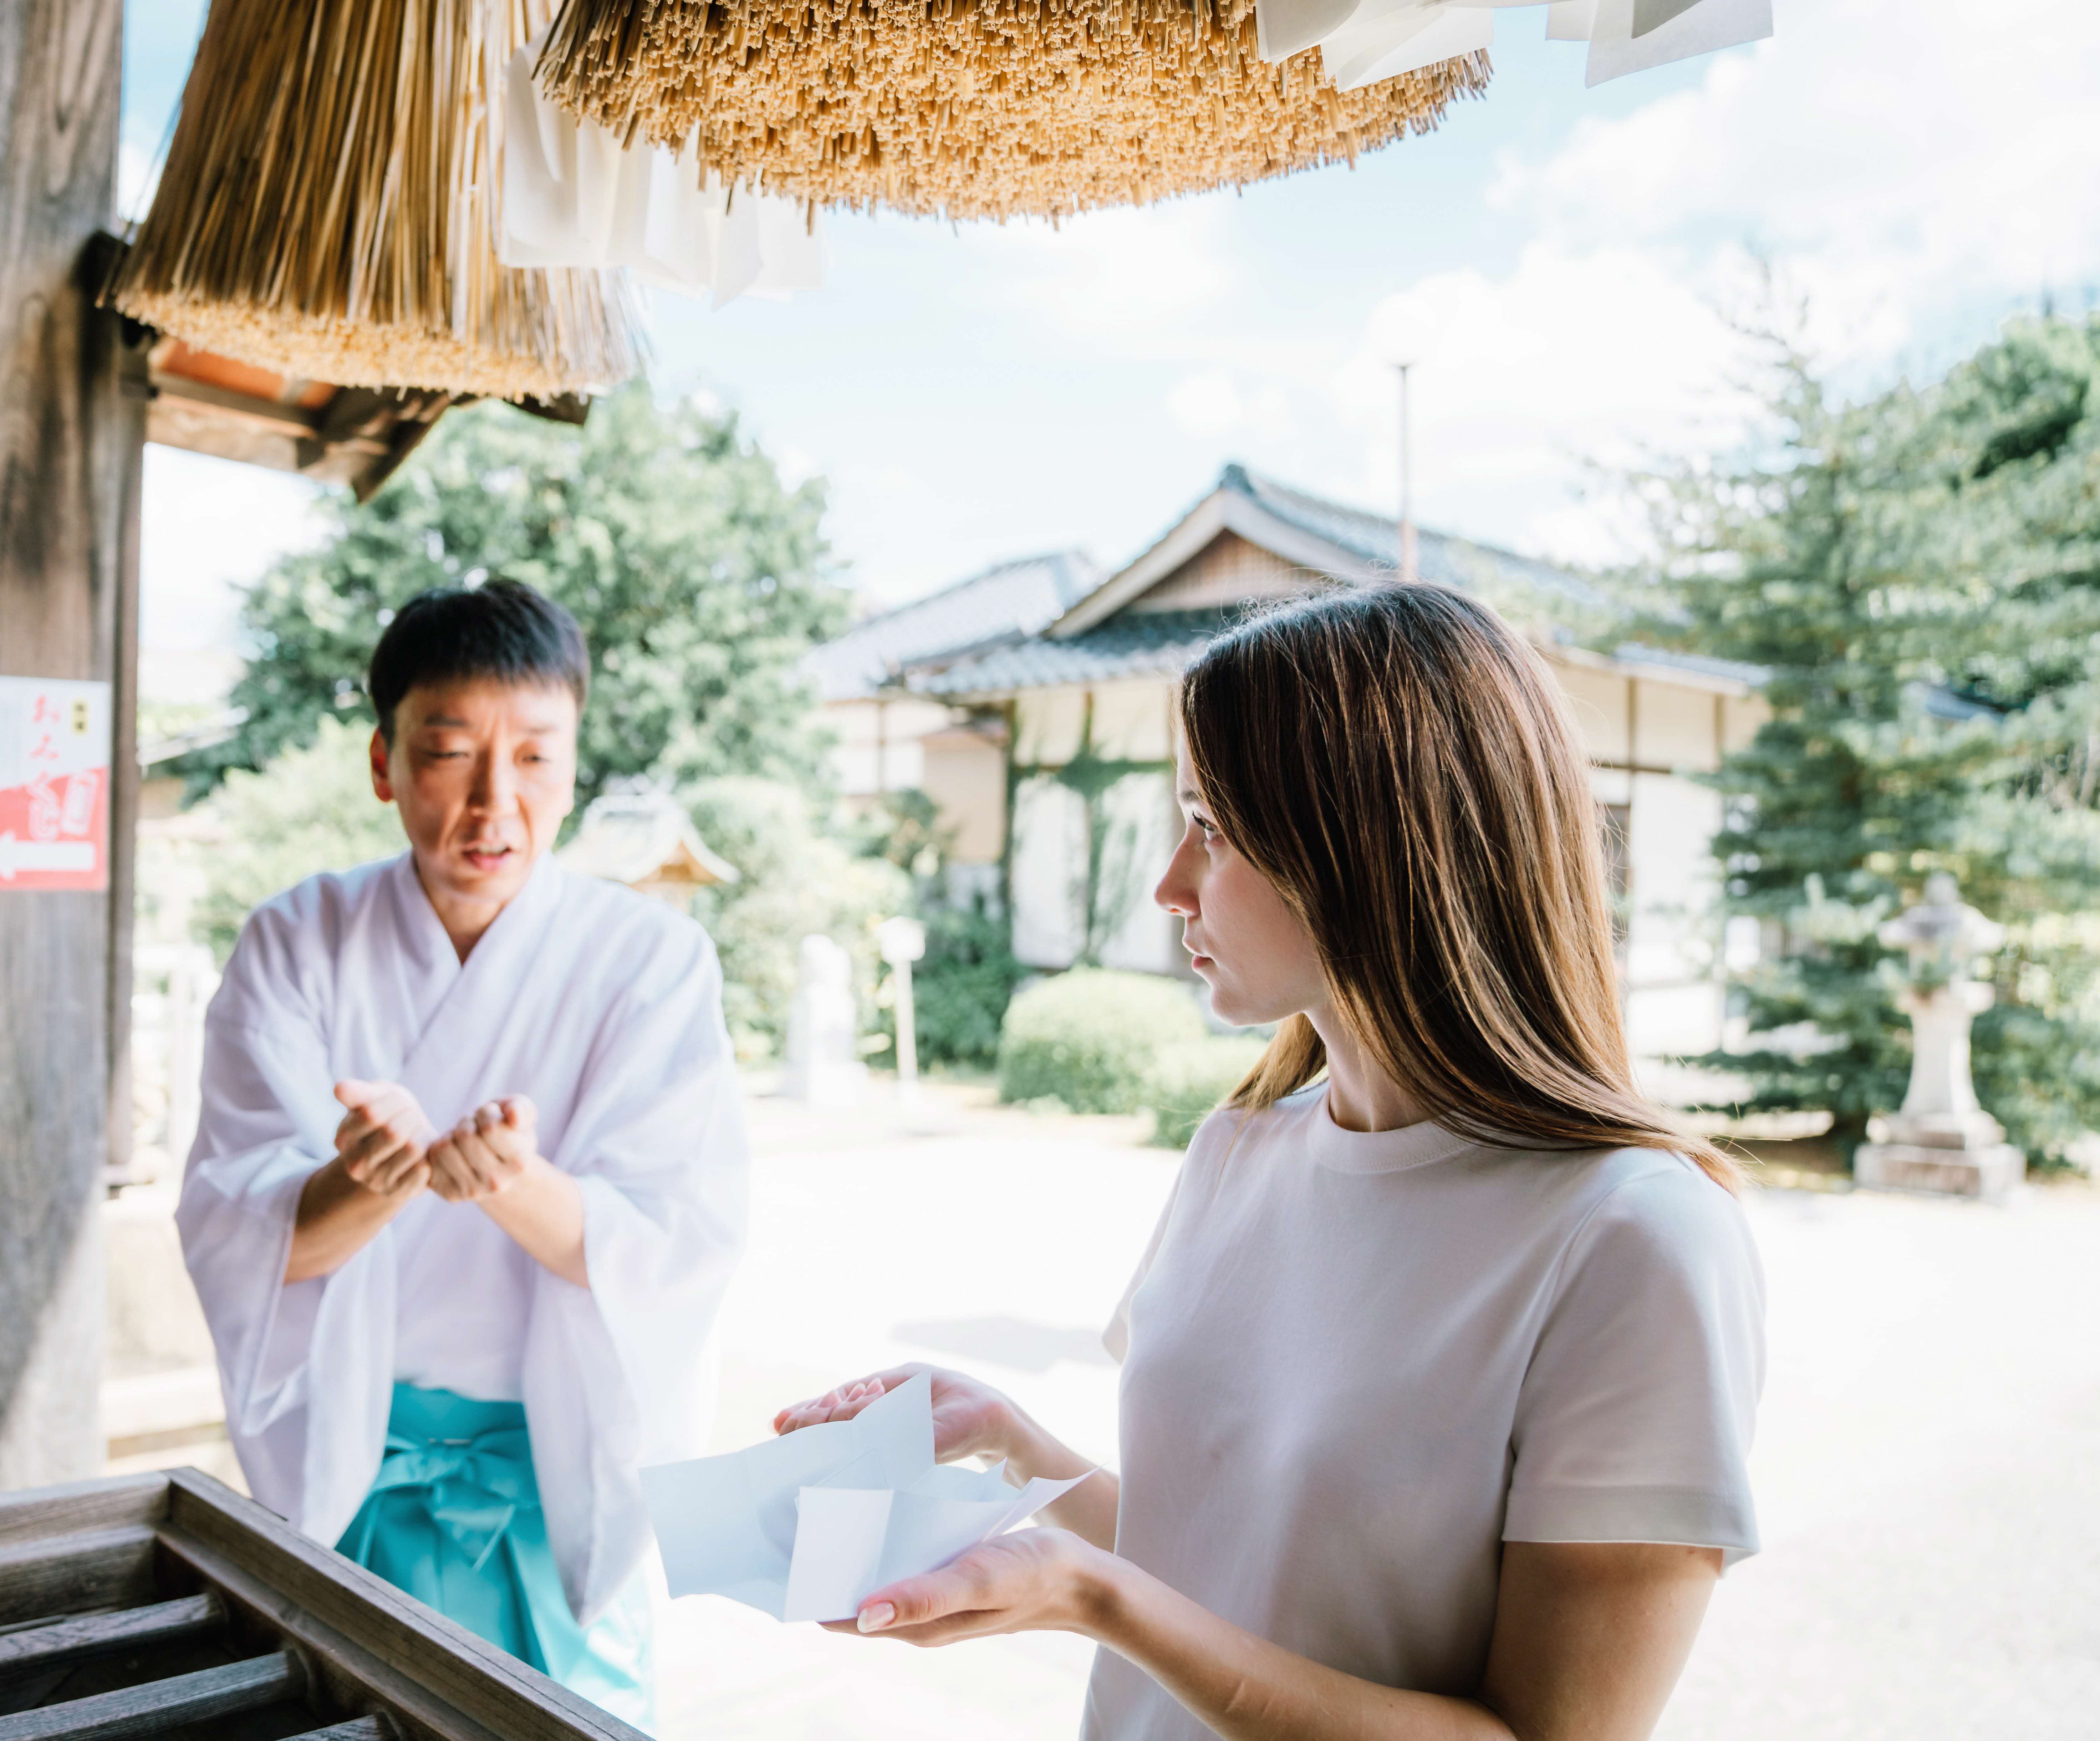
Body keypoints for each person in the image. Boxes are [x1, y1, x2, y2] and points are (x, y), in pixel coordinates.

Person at [774, 583, 1764, 1741]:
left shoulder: (1632, 1239)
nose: (1170, 883)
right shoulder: (1235, 1153)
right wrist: (1015, 1442)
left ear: (1374, 846)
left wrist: (1092, 1596)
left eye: (1216, 828)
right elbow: (1235, 1554)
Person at [178, 579, 748, 1726]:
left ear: (576, 765)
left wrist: (510, 1182)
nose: (496, 801)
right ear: (385, 760)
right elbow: (240, 1230)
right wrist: (367, 1179)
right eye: (449, 752)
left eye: (537, 757)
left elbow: (674, 1240)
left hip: (552, 1474)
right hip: (350, 1469)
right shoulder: (298, 940)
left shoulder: (649, 962)